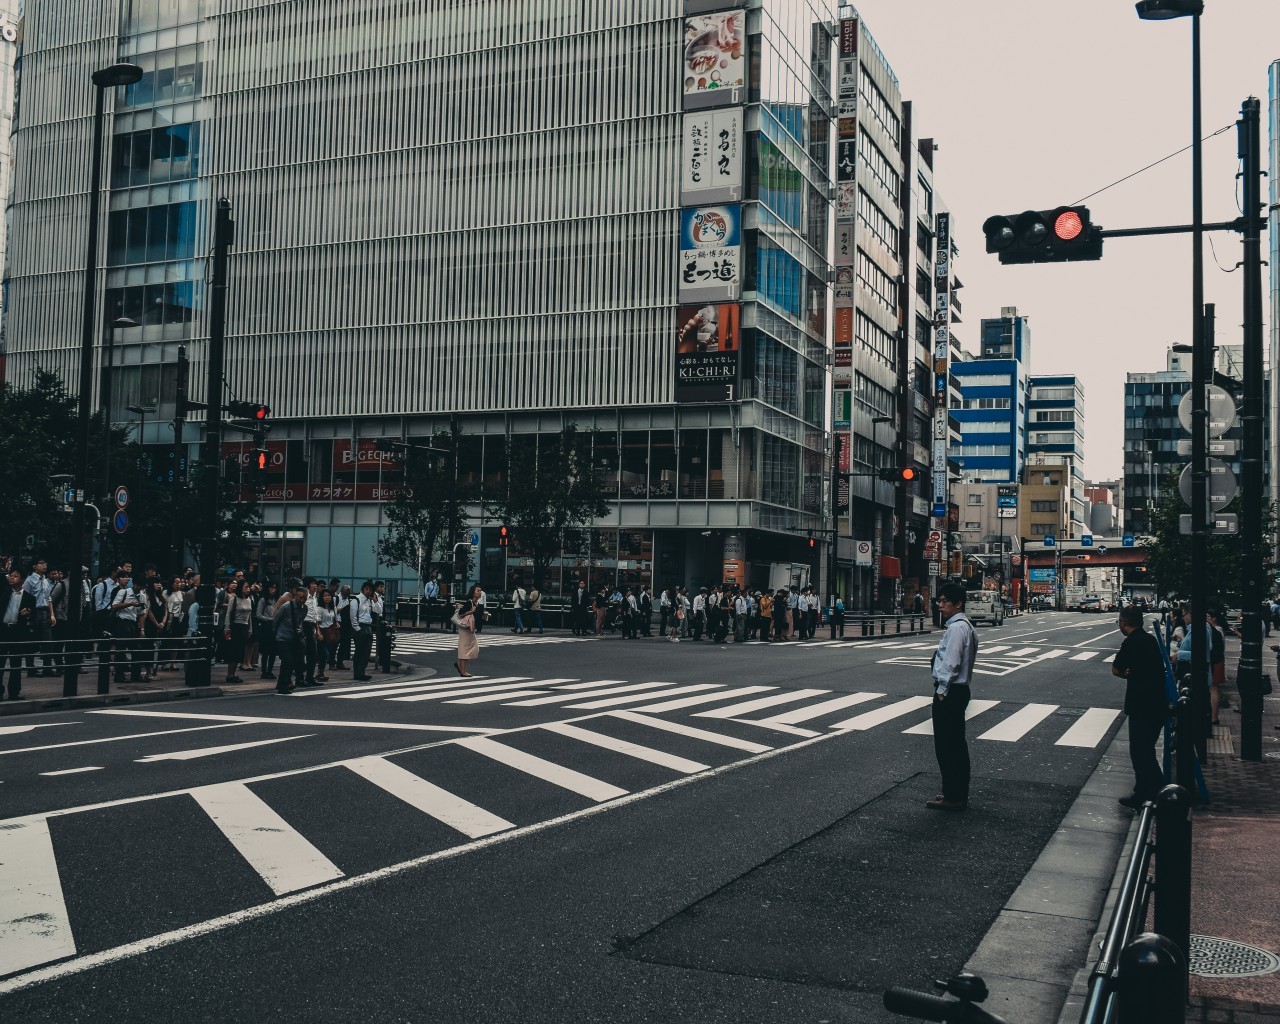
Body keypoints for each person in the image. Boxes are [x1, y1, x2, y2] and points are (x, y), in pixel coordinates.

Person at [1112, 605, 1170, 808]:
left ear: (1123, 622)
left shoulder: (1131, 642)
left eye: (1119, 622)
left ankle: (1157, 792)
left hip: (1140, 704)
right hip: (1158, 702)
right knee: (1145, 749)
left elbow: (1116, 669)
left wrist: (1128, 673)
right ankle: (1144, 790)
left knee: (1140, 751)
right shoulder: (1150, 639)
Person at [928, 583, 978, 812]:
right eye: (939, 600)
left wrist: (941, 691)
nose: (940, 604)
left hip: (950, 692)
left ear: (958, 604)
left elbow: (951, 662)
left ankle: (954, 796)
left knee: (947, 746)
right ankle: (953, 792)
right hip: (957, 691)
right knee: (954, 744)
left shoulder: (958, 628)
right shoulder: (963, 626)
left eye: (945, 601)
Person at [22, 558, 56, 676]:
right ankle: (31, 669)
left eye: (45, 563)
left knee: (48, 642)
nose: (45, 565)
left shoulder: (46, 581)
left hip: (44, 612)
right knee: (31, 641)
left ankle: (47, 668)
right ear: (34, 566)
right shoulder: (29, 581)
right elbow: (24, 598)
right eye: (42, 563)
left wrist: (52, 614)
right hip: (34, 612)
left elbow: (49, 598)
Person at [272, 584, 309, 693]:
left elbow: (300, 622)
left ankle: (281, 683)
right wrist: (276, 633)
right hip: (283, 637)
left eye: (304, 598)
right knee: (287, 661)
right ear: (295, 596)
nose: (302, 600)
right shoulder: (287, 606)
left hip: (294, 638)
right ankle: (284, 685)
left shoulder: (304, 608)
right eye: (300, 597)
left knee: (290, 662)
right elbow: (276, 620)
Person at [2, 569, 29, 700]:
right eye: (10, 576)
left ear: (22, 580)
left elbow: (33, 616)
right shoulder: (4, 593)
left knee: (16, 663)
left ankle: (14, 692)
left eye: (16, 576)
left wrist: (28, 613)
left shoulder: (29, 597)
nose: (11, 578)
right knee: (1, 662)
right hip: (4, 630)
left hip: (17, 632)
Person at [221, 579, 253, 684]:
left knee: (240, 652)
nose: (248, 589)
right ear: (240, 588)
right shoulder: (234, 599)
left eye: (249, 587)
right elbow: (228, 614)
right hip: (235, 626)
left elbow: (249, 616)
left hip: (244, 627)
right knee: (233, 652)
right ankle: (230, 674)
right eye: (246, 587)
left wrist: (250, 628)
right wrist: (227, 628)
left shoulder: (249, 599)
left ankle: (234, 674)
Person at [349, 581, 377, 681]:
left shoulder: (369, 601)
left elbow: (379, 611)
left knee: (366, 652)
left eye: (370, 590)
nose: (368, 592)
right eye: (367, 589)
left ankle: (361, 672)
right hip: (360, 627)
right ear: (363, 589)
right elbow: (353, 617)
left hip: (368, 627)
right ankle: (358, 673)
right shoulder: (356, 600)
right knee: (359, 651)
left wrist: (375, 601)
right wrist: (358, 629)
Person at [141, 578, 169, 680]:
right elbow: (149, 612)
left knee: (159, 648)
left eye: (160, 583)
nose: (159, 585)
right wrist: (157, 623)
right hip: (151, 626)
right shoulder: (148, 596)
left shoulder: (162, 597)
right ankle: (148, 671)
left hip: (161, 626)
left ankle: (155, 672)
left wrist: (163, 622)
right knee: (149, 649)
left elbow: (166, 610)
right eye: (156, 583)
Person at [455, 583, 483, 676]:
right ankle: (463, 671)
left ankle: (460, 667)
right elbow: (460, 614)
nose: (480, 592)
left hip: (470, 628)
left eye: (480, 591)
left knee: (473, 648)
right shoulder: (469, 602)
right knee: (464, 649)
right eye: (478, 591)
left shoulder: (476, 603)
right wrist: (471, 611)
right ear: (473, 592)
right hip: (465, 629)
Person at [255, 580, 279, 680]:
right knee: (265, 651)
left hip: (275, 627)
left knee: (273, 651)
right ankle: (264, 672)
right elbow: (258, 615)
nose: (273, 590)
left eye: (274, 588)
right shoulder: (263, 600)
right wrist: (270, 619)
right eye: (271, 588)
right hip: (266, 627)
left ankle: (270, 671)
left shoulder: (277, 600)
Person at [314, 589, 339, 683]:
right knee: (324, 654)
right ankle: (319, 673)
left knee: (326, 654)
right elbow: (317, 622)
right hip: (323, 632)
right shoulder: (319, 608)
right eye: (325, 596)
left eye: (329, 595)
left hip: (331, 632)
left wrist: (337, 625)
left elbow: (335, 620)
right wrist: (318, 632)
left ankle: (321, 673)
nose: (327, 597)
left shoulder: (333, 608)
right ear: (321, 597)